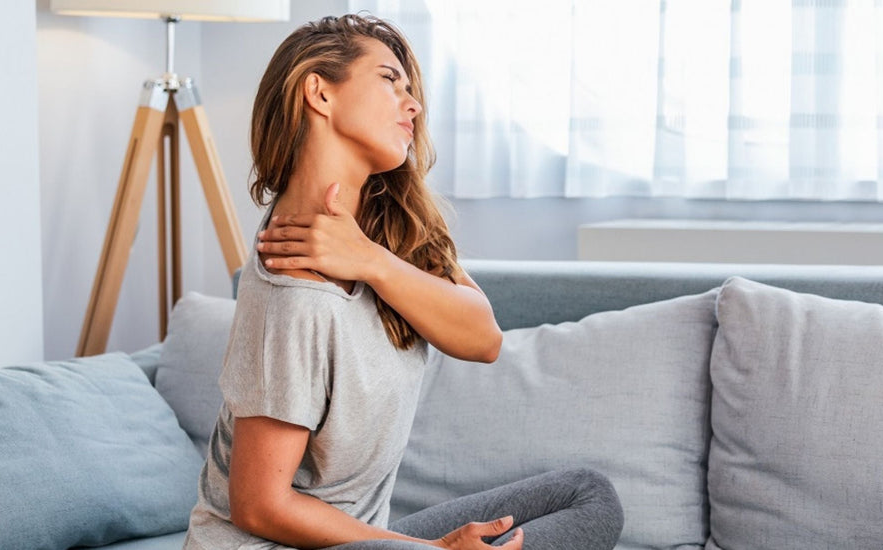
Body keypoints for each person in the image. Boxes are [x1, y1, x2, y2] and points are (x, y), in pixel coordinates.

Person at [182, 13, 624, 550]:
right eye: (390, 80)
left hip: (362, 540)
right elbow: (259, 506)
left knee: (587, 495)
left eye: (411, 89)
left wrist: (370, 260)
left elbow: (483, 338)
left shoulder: (390, 223)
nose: (412, 104)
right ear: (319, 93)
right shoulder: (292, 285)